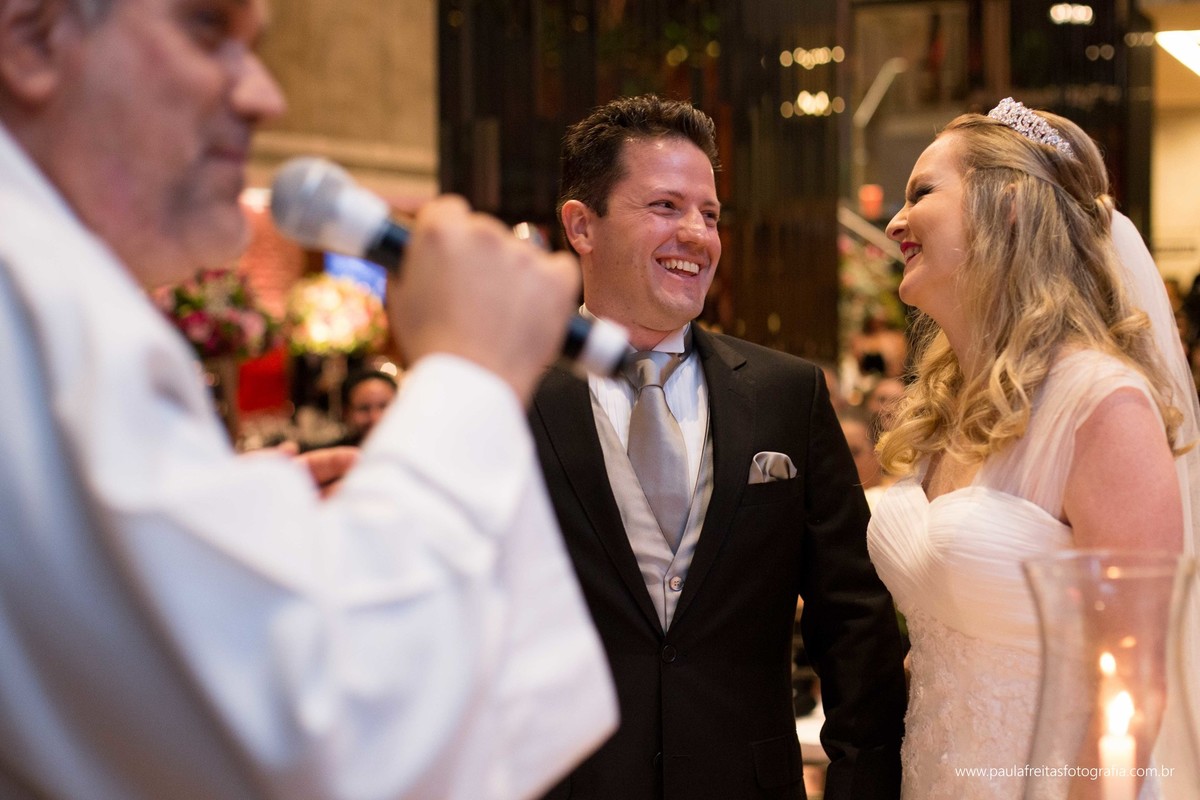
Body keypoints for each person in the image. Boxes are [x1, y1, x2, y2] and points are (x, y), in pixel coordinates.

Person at [0, 1, 617, 798]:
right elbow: (326, 734)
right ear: (33, 38)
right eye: (207, 30)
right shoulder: (35, 298)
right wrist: (469, 372)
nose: (266, 96)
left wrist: (223, 526)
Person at [530, 94, 907, 800]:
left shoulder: (786, 394)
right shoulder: (510, 394)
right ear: (582, 225)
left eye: (709, 214)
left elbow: (855, 624)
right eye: (665, 207)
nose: (697, 235)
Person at [867, 97, 1200, 799]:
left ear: (1009, 206)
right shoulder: (946, 406)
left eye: (921, 193)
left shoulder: (1100, 405)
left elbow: (1134, 686)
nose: (895, 222)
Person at [337, 369, 399, 446]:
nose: (375, 418)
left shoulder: (411, 450)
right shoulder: (333, 451)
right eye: (364, 408)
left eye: (384, 406)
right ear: (346, 413)